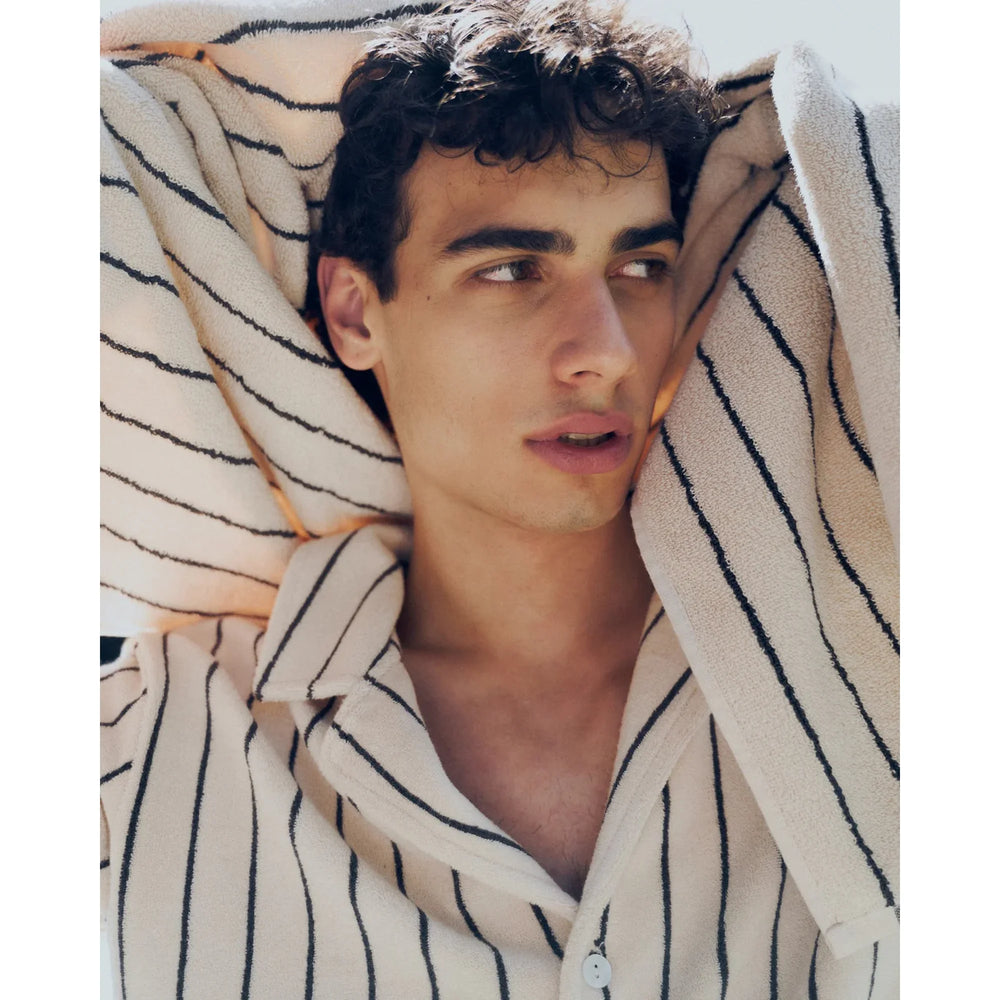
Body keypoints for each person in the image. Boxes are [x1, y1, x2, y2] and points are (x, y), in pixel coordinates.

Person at [100, 1, 899, 997]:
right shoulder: (150, 741)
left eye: (640, 267)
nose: (605, 350)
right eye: (513, 269)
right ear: (354, 312)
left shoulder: (875, 666)